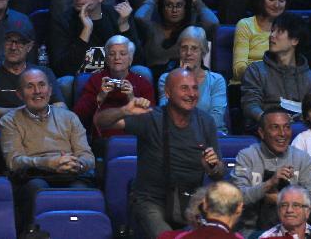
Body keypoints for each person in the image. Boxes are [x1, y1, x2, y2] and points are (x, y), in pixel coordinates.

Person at [94, 68, 227, 237]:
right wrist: (124, 110)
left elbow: (220, 173)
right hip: (151, 201)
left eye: (194, 88)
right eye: (184, 88)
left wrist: (213, 167)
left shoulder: (206, 121)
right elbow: (101, 122)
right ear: (168, 93)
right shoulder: (151, 118)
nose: (191, 93)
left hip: (190, 202)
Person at [0, 67, 94, 229]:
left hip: (70, 174)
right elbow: (14, 161)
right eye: (30, 86)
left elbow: (87, 156)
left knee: (80, 190)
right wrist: (48, 163)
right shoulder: (10, 121)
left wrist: (76, 164)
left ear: (50, 90)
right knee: (38, 189)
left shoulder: (69, 117)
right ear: (19, 94)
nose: (37, 91)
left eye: (42, 85)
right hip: (33, 177)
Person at [229, 108, 311, 236]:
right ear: (262, 133)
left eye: (286, 127)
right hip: (252, 233)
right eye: (275, 127)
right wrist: (268, 184)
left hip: (295, 233)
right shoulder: (247, 157)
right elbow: (235, 199)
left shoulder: (302, 158)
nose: (282, 133)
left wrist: (281, 200)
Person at [240, 13, 311, 130]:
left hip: (301, 131)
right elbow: (250, 105)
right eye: (272, 31)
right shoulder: (256, 70)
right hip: (266, 128)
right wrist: (269, 120)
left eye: (279, 32)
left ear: (295, 40)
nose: (272, 35)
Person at [0, 26, 65, 129]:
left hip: (39, 126)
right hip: (3, 126)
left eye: (20, 42)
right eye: (9, 41)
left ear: (29, 47)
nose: (13, 47)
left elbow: (61, 106)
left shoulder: (43, 73)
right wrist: (20, 113)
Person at [49, 0, 136, 76]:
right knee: (65, 82)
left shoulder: (117, 16)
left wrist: (124, 26)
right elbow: (62, 69)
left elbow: (137, 61)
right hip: (79, 77)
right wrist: (86, 31)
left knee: (142, 72)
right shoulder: (63, 21)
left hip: (114, 75)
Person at [73, 35, 155, 145]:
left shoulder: (142, 82)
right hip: (103, 140)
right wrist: (100, 97)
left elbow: (152, 121)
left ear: (130, 59)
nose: (117, 58)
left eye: (123, 54)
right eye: (112, 54)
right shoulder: (96, 80)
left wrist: (132, 98)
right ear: (106, 59)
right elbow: (78, 116)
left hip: (136, 140)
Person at [135, 0, 219, 80]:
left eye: (179, 5)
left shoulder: (192, 31)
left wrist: (195, 1)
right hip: (155, 80)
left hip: (184, 81)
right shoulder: (152, 28)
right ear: (162, 7)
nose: (174, 10)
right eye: (169, 5)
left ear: (186, 7)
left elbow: (213, 22)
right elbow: (139, 17)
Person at [157, 26, 228, 135]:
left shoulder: (217, 80)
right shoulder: (166, 79)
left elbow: (216, 119)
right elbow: (166, 115)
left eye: (194, 48)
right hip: (176, 135)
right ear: (179, 51)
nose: (188, 53)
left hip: (210, 135)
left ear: (203, 52)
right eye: (184, 48)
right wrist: (182, 79)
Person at [232, 0, 289, 85]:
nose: (276, 5)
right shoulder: (245, 25)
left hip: (279, 86)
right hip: (247, 85)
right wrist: (264, 77)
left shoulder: (288, 27)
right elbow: (238, 69)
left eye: (281, 0)